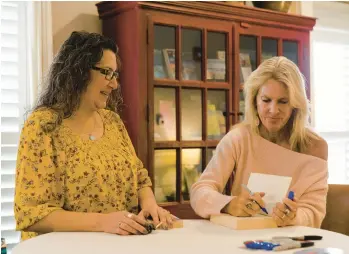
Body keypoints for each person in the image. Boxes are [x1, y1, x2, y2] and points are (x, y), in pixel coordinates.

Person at [14, 31, 174, 241]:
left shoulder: (112, 122)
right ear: (78, 71)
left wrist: (149, 205)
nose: (114, 84)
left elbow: (139, 177)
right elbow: (31, 213)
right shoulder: (43, 125)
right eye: (106, 72)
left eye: (115, 74)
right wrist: (104, 222)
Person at [190, 56, 328, 228]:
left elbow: (314, 212)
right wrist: (228, 204)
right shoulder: (239, 138)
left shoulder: (315, 146)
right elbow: (199, 192)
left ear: (295, 104)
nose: (273, 110)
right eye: (266, 100)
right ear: (254, 100)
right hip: (241, 240)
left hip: (293, 241)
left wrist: (294, 217)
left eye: (283, 102)